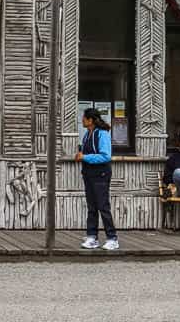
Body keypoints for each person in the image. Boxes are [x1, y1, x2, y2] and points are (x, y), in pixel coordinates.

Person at [76, 107, 119, 251]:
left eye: (84, 118)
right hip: (88, 174)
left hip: (100, 174)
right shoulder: (87, 134)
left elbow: (106, 156)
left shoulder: (102, 134)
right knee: (92, 207)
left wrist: (85, 157)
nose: (82, 120)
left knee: (103, 206)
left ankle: (112, 238)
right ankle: (92, 236)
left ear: (91, 120)